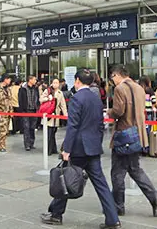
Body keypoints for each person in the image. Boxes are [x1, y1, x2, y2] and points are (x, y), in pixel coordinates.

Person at [41, 69, 121, 229]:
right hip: (93, 147)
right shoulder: (96, 98)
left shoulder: (77, 98)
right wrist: (96, 143)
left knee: (65, 177)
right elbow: (100, 125)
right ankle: (113, 219)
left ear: (77, 80)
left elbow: (73, 126)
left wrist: (67, 149)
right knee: (101, 184)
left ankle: (56, 214)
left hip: (78, 148)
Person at [109, 64, 157, 218]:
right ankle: (154, 196)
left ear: (117, 75)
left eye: (112, 77)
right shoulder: (139, 87)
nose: (112, 81)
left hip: (123, 135)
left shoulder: (119, 89)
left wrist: (109, 111)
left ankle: (118, 206)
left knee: (117, 174)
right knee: (135, 170)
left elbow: (119, 111)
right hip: (137, 134)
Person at [40, 78, 68, 156]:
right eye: (54, 82)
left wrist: (65, 114)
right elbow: (41, 99)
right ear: (51, 83)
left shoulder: (60, 93)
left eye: (57, 83)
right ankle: (48, 150)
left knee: (53, 132)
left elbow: (63, 105)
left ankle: (53, 148)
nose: (55, 84)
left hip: (56, 114)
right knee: (49, 133)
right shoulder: (47, 91)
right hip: (48, 114)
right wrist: (48, 98)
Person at [19, 75, 39, 151]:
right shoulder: (23, 89)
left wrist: (37, 107)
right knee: (26, 127)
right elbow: (20, 100)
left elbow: (37, 98)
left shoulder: (35, 89)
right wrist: (22, 110)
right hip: (26, 110)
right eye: (34, 79)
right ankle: (27, 144)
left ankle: (31, 142)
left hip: (34, 110)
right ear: (30, 80)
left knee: (32, 127)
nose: (35, 81)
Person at [0, 74, 13, 153]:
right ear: (5, 79)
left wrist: (11, 111)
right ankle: (1, 145)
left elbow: (10, 100)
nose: (10, 81)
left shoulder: (8, 89)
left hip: (7, 112)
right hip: (1, 112)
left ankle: (2, 144)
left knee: (6, 130)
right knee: (2, 130)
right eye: (9, 79)